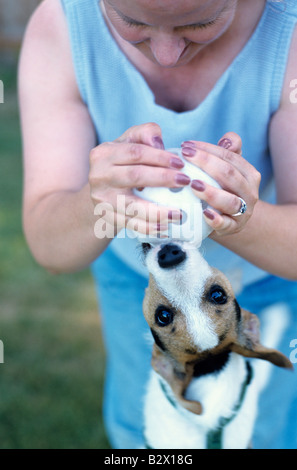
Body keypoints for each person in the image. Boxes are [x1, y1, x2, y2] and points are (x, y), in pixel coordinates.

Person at [19, 0, 297, 449]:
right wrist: (101, 204)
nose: (166, 53)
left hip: (271, 278)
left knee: (261, 429)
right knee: (149, 430)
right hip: (137, 284)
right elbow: (50, 246)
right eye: (131, 21)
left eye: (201, 22)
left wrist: (240, 217)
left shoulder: (288, 34)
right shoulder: (62, 28)